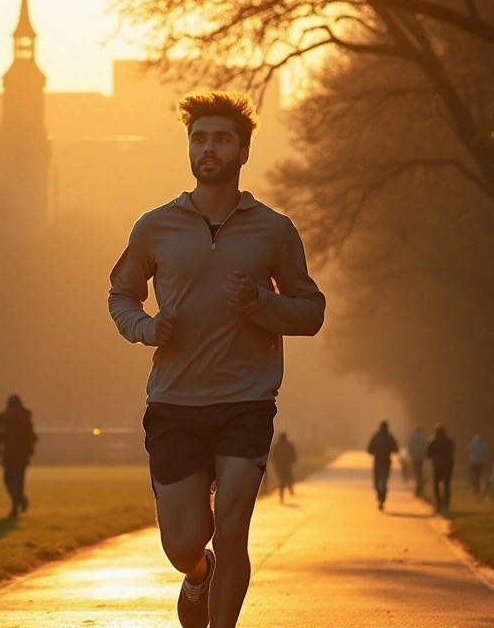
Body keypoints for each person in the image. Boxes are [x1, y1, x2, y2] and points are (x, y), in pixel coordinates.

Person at [108, 90, 326, 628]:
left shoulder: (274, 230)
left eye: (222, 139)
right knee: (184, 541)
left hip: (245, 401)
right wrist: (147, 328)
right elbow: (122, 295)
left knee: (232, 529)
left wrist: (261, 303)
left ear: (243, 152)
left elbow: (311, 311)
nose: (209, 147)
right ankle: (197, 573)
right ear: (188, 147)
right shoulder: (154, 227)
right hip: (174, 402)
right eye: (199, 137)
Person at [0, 394, 38, 518]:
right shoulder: (25, 415)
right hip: (22, 452)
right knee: (19, 479)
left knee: (7, 479)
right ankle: (19, 500)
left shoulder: (3, 416)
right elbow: (31, 433)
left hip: (9, 451)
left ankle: (17, 501)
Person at [366, 421, 399, 511]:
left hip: (377, 462)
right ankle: (382, 498)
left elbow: (369, 449)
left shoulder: (376, 437)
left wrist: (375, 452)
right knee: (384, 481)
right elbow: (396, 449)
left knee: (377, 481)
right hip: (386, 462)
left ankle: (380, 496)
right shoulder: (390, 437)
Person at [426, 423, 455, 515]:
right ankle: (446, 506)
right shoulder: (449, 441)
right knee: (446, 486)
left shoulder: (433, 442)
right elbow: (452, 451)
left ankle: (439, 505)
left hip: (437, 467)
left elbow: (428, 454)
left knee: (436, 487)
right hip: (447, 467)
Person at [270, 432, 298, 503]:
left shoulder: (276, 446)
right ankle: (290, 488)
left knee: (281, 479)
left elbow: (273, 456)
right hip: (287, 464)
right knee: (289, 477)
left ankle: (281, 494)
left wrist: (275, 463)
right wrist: (292, 461)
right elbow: (293, 454)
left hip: (279, 465)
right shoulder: (289, 445)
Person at [406, 425, 427, 498]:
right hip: (420, 458)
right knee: (419, 473)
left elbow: (409, 446)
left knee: (416, 473)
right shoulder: (422, 437)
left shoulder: (411, 436)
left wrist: (410, 455)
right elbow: (425, 446)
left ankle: (417, 489)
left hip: (414, 457)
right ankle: (418, 489)